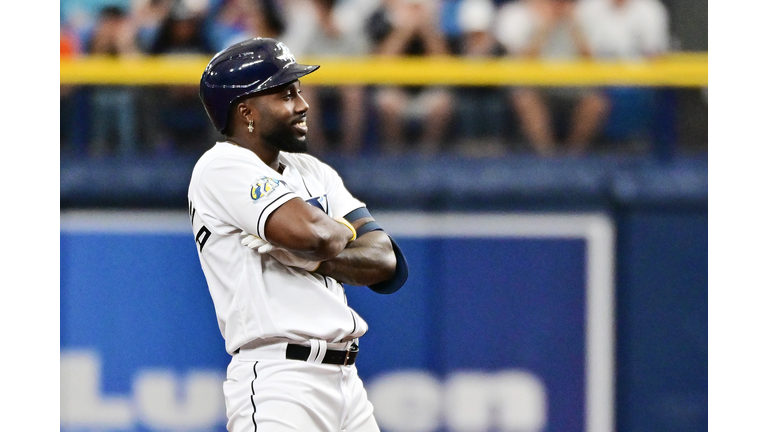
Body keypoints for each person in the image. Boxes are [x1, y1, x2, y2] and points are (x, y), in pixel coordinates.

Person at [188, 37, 409, 432]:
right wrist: (333, 237)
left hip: (348, 385)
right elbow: (315, 234)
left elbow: (384, 261)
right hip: (280, 382)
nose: (302, 105)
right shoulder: (221, 166)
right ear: (247, 112)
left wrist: (314, 255)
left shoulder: (312, 170)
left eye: (299, 92)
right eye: (286, 94)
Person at [494, 0, 610, 156]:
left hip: (574, 88)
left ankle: (573, 156)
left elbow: (591, 60)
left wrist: (573, 25)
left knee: (597, 103)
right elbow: (525, 61)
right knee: (524, 98)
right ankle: (547, 156)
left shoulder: (584, 16)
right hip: (538, 87)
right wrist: (546, 26)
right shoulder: (520, 15)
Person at [280, 0, 372, 156]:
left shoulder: (351, 16)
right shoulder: (304, 19)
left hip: (344, 77)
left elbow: (362, 56)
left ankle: (350, 152)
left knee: (353, 90)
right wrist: (313, 22)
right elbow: (294, 57)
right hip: (313, 78)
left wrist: (334, 25)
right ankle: (318, 151)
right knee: (303, 89)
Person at [366, 0, 455, 156]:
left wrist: (425, 28)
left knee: (443, 103)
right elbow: (383, 60)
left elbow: (444, 61)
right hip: (396, 89)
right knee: (387, 102)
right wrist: (406, 29)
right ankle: (395, 154)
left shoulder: (435, 22)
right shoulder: (382, 19)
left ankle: (427, 155)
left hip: (426, 90)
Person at [84, 5, 141, 158]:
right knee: (101, 102)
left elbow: (135, 69)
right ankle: (98, 153)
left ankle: (128, 155)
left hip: (124, 92)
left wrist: (123, 43)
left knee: (123, 103)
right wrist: (102, 42)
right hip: (101, 91)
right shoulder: (95, 39)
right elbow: (91, 70)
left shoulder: (130, 38)